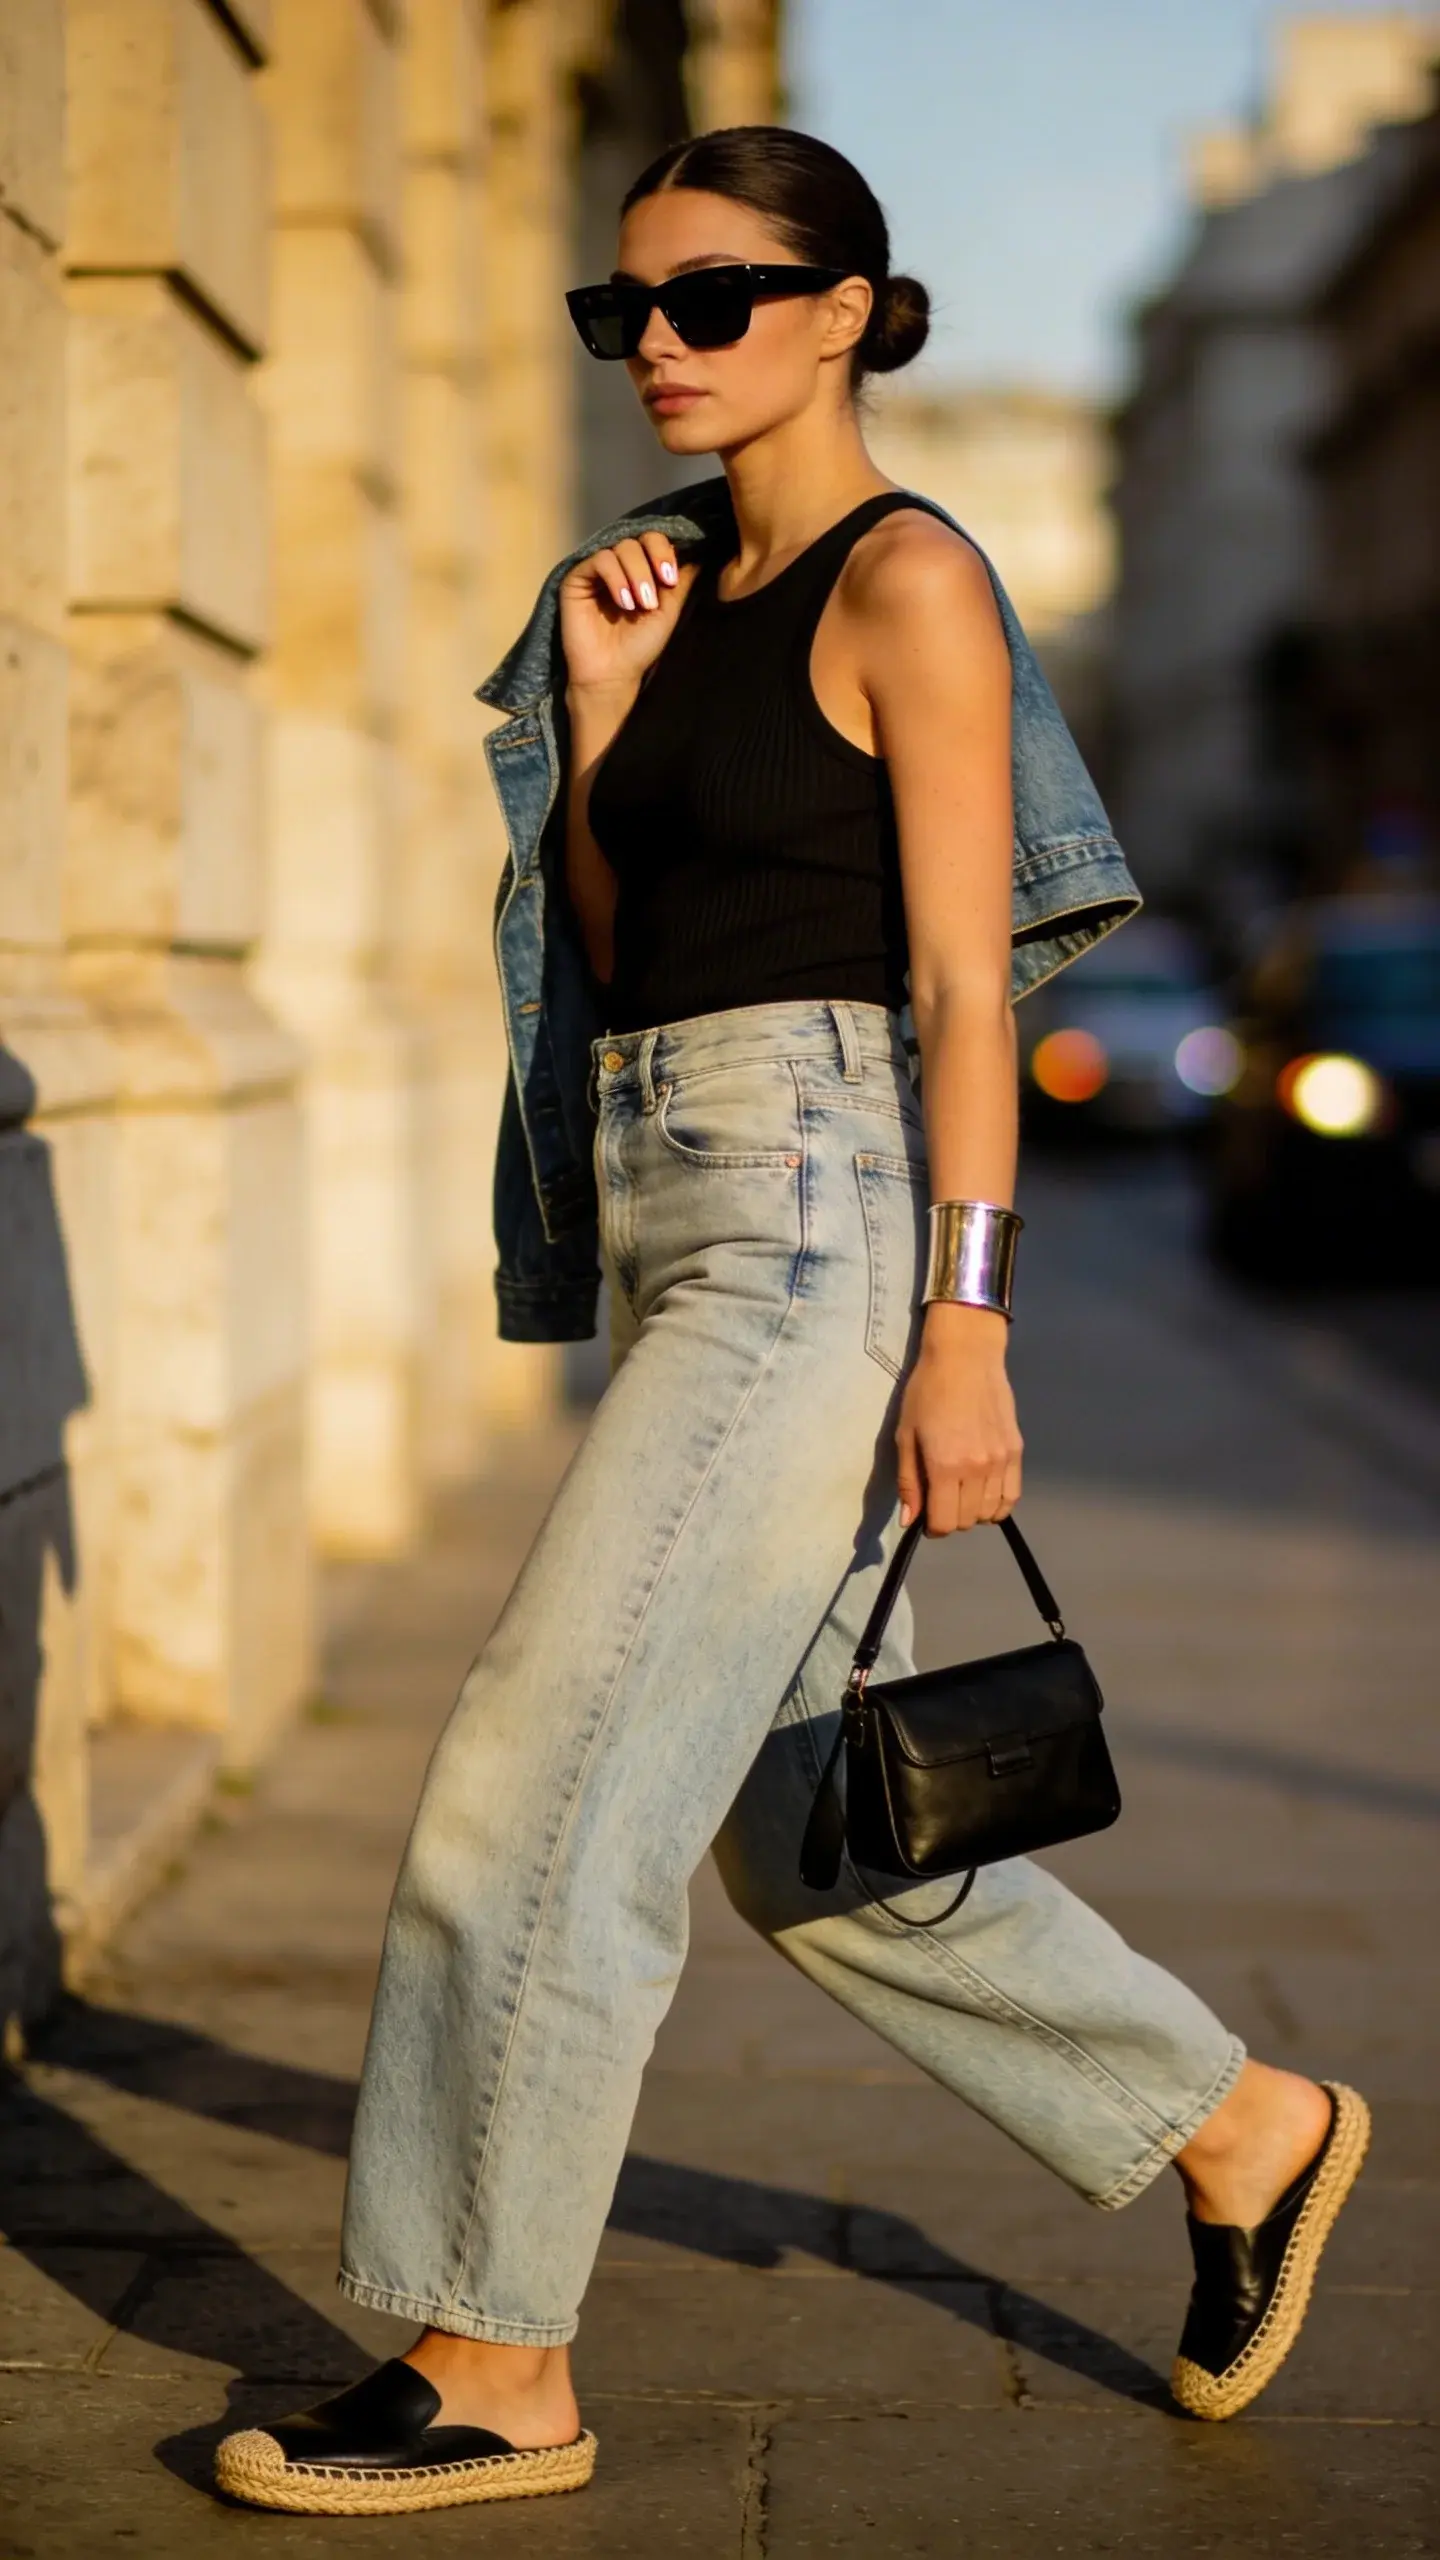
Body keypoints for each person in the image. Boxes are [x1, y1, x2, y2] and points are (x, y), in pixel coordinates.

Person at [215, 126, 1368, 2521]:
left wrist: (972, 1321)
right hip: (679, 1199)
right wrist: (612, 716)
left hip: (830, 1227)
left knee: (534, 1783)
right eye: (621, 307)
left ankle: (495, 2359)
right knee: (808, 1823)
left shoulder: (910, 579)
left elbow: (965, 981)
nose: (656, 341)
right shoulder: (638, 592)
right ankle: (1241, 2123)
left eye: (711, 298)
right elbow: (629, 942)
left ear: (849, 308)